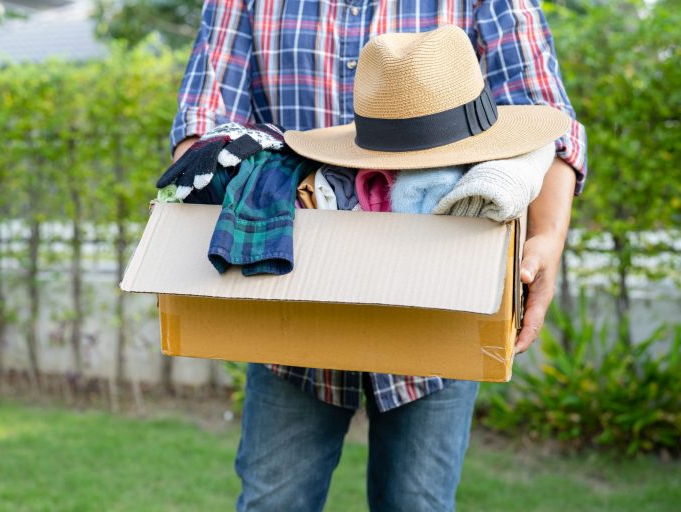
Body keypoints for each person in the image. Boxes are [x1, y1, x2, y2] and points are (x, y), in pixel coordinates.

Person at [169, 1, 587, 510]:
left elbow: (549, 123)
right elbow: (204, 119)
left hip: (441, 312)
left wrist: (546, 240)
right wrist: (220, 187)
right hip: (290, 304)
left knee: (418, 504)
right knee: (272, 502)